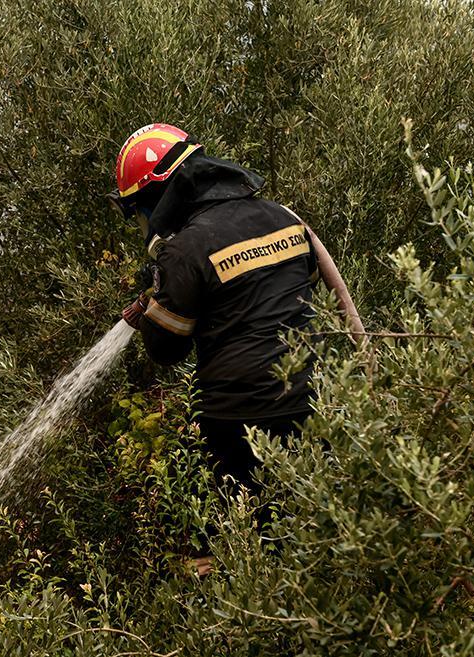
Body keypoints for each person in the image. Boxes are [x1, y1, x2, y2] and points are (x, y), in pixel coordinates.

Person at [109, 124, 363, 574]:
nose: (145, 219)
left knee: (234, 547)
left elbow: (167, 351)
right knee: (309, 532)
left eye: (141, 207)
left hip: (238, 423)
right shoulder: (284, 220)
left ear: (164, 191)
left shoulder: (185, 249)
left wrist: (155, 298)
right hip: (314, 402)